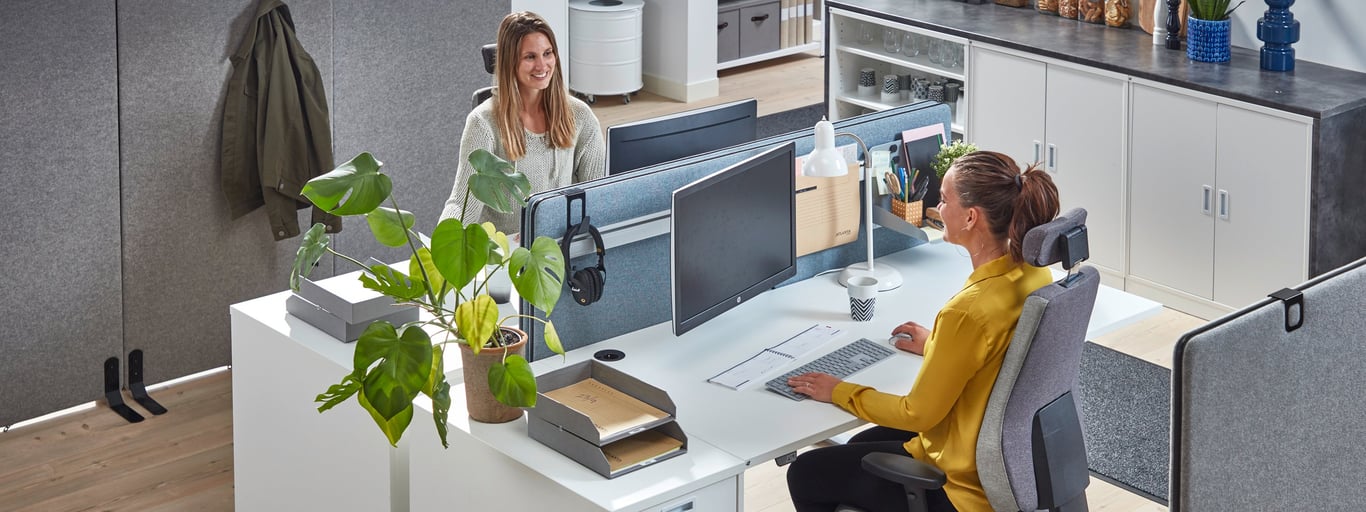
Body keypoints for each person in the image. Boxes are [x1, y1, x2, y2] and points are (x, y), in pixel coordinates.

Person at [784, 151, 1061, 512]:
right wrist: (937, 344)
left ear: (971, 217)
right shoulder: (1033, 274)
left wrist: (838, 390)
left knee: (806, 472)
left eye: (945, 200)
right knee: (864, 441)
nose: (937, 207)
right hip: (1002, 457)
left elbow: (917, 414)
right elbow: (998, 358)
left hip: (958, 485)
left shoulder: (968, 311)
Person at [440, 11, 605, 234]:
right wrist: (441, 248)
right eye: (530, 57)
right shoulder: (483, 123)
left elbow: (596, 195)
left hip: (560, 248)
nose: (542, 65)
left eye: (548, 53)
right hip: (505, 255)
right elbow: (462, 204)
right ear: (510, 62)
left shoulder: (580, 115)